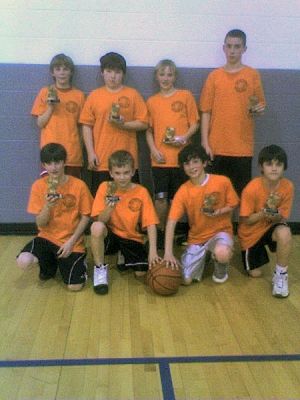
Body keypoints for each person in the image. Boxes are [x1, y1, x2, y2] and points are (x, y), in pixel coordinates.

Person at [16, 143, 93, 291]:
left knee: (74, 287)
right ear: (44, 165)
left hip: (71, 241)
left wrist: (71, 242)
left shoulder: (79, 185)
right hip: (47, 237)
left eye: (57, 162)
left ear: (64, 162)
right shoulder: (38, 186)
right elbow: (40, 223)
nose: (54, 167)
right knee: (23, 261)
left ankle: (79, 261)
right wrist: (47, 206)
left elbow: (86, 217)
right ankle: (51, 263)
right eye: (49, 163)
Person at [200, 29, 266, 195]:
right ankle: (220, 223)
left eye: (237, 46)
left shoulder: (252, 75)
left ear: (244, 49)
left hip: (242, 147)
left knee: (241, 195)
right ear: (224, 48)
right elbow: (206, 111)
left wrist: (258, 110)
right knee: (215, 195)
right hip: (216, 146)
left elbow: (258, 108)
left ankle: (238, 223)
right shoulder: (214, 76)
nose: (232, 50)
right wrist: (205, 142)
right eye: (229, 46)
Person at [163, 144, 239, 285]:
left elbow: (233, 203)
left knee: (222, 252)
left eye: (195, 161)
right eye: (187, 163)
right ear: (183, 167)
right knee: (185, 280)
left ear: (204, 162)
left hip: (220, 232)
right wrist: (168, 252)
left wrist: (219, 212)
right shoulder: (183, 191)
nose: (192, 167)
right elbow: (171, 221)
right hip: (197, 237)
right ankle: (206, 256)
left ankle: (220, 267)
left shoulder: (222, 181)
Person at [90, 150, 160, 295]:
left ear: (133, 172)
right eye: (117, 173)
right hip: (111, 235)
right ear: (110, 173)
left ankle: (124, 253)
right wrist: (110, 206)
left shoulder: (141, 192)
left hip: (131, 236)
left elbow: (151, 223)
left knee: (141, 274)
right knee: (96, 227)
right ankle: (100, 271)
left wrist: (153, 250)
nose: (122, 177)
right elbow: (100, 220)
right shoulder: (105, 187)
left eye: (126, 172)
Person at [146, 59, 199, 248]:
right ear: (157, 77)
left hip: (183, 160)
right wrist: (153, 149)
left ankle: (189, 232)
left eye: (169, 74)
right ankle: (160, 232)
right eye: (162, 74)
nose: (166, 78)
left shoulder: (185, 96)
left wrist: (184, 137)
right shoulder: (152, 101)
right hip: (160, 160)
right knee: (161, 199)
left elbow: (195, 123)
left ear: (175, 76)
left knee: (183, 199)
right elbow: (149, 130)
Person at [79, 52, 148, 196]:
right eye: (109, 71)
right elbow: (86, 125)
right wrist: (91, 152)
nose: (113, 76)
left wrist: (123, 125)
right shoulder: (94, 96)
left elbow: (144, 123)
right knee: (102, 201)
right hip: (102, 159)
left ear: (123, 74)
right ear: (102, 73)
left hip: (128, 161)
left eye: (117, 72)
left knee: (129, 201)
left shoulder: (133, 94)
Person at [238, 145, 294, 298]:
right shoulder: (251, 188)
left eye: (278, 164)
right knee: (255, 274)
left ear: (284, 167)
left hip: (270, 227)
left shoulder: (288, 187)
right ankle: (249, 254)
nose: (274, 168)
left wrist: (273, 212)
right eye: (269, 164)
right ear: (261, 167)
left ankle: (281, 276)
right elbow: (246, 220)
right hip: (251, 233)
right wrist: (264, 211)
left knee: (285, 232)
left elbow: (282, 217)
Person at [31, 54, 85, 178]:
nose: (62, 73)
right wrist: (50, 107)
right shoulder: (45, 92)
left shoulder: (79, 95)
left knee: (71, 193)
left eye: (65, 69)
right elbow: (40, 123)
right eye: (58, 69)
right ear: (52, 73)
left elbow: (82, 126)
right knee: (51, 192)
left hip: (72, 154)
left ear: (71, 72)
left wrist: (80, 148)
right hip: (50, 154)